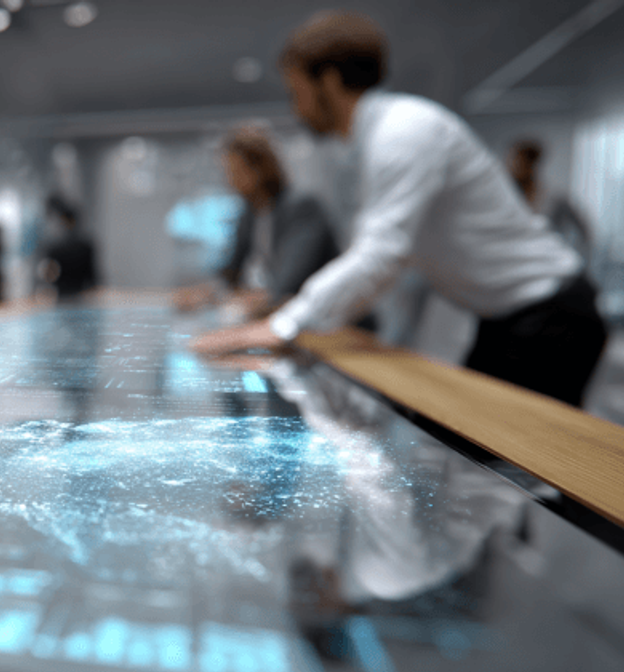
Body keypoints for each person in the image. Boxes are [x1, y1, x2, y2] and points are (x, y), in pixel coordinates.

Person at [193, 11, 606, 407]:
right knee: (469, 442)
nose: (296, 107)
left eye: (297, 91)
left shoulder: (402, 133)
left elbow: (380, 255)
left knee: (507, 451)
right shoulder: (379, 140)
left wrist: (282, 325)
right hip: (512, 315)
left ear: (329, 81)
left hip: (551, 314)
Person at [175, 126, 339, 319]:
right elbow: (231, 271)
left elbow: (288, 283)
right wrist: (205, 294)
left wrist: (254, 299)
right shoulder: (251, 213)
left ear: (261, 169)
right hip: (295, 316)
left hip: (331, 319)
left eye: (236, 171)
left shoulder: (302, 207)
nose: (230, 180)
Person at [508, 138, 593, 263]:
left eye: (518, 162)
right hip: (515, 262)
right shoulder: (507, 198)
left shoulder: (554, 197)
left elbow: (584, 229)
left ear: (531, 164)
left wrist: (574, 258)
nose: (512, 167)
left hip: (547, 262)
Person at [39, 195, 97, 300]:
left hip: (66, 297)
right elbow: (93, 279)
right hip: (80, 297)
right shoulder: (85, 246)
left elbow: (48, 277)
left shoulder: (56, 249)